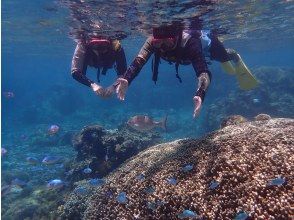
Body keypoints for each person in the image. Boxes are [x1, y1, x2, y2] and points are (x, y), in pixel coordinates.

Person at [115, 24, 258, 117]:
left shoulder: (190, 42)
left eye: (168, 42)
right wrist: (127, 78)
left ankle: (233, 55)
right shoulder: (151, 41)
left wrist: (200, 93)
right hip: (183, 58)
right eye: (158, 43)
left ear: (176, 37)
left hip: (207, 47)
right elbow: (139, 61)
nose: (163, 46)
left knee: (223, 56)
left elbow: (203, 72)